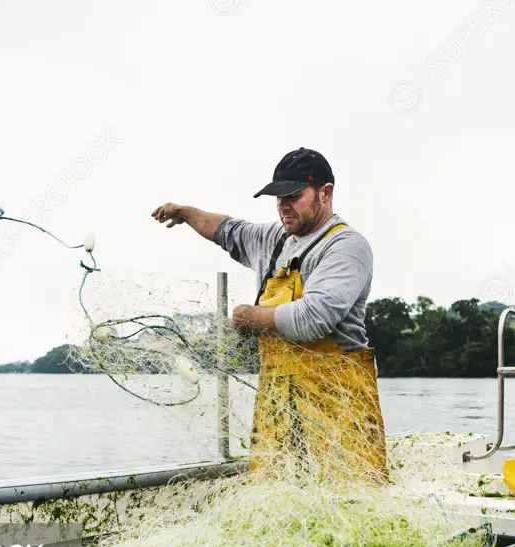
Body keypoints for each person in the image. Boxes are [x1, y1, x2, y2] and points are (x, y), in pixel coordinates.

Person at [151, 147, 387, 484]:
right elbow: (227, 229)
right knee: (278, 494)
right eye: (278, 198)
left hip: (338, 405)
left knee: (347, 498)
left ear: (326, 192)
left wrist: (249, 317)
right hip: (279, 400)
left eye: (294, 195)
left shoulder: (346, 246)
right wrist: (187, 213)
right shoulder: (275, 238)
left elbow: (313, 318)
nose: (284, 206)